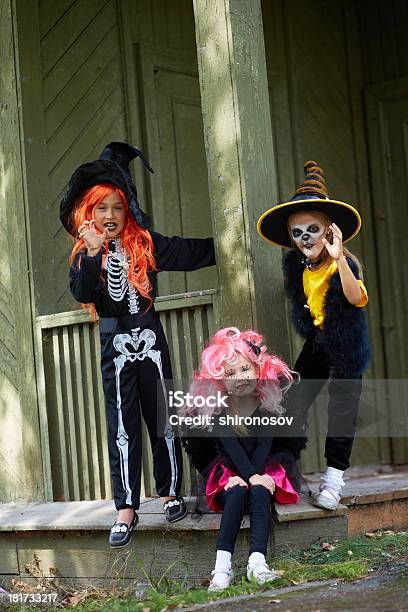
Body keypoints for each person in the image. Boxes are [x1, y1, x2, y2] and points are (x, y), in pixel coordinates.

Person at [60, 142, 216, 547]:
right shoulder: (83, 256)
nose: (110, 215)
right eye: (101, 208)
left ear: (126, 209)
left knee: (162, 414)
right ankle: (126, 507)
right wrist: (94, 253)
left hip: (150, 336)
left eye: (116, 207)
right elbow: (83, 291)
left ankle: (170, 492)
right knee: (121, 426)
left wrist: (230, 241)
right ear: (88, 213)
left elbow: (189, 251)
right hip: (115, 345)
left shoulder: (144, 244)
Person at [257, 161, 371, 510]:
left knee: (342, 409)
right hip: (319, 341)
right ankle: (284, 470)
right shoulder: (297, 266)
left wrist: (338, 260)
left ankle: (333, 481)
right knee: (292, 398)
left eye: (313, 229)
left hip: (346, 341)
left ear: (329, 231)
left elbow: (356, 298)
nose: (306, 237)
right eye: (298, 232)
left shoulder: (344, 263)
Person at [182, 327, 299, 591]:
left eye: (245, 369)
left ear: (259, 370)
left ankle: (257, 562)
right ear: (220, 380)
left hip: (260, 470)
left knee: (259, 490)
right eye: (230, 373)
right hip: (229, 473)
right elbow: (232, 450)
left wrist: (256, 478)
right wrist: (240, 478)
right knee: (236, 492)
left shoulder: (268, 407)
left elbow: (262, 452)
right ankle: (222, 568)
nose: (240, 378)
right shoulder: (219, 411)